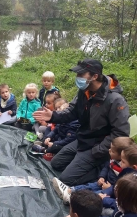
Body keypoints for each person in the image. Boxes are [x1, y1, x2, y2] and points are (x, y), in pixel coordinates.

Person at [33, 58, 130, 186]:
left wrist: (98, 150)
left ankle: (100, 169)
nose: (77, 77)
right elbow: (72, 111)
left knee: (65, 180)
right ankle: (81, 162)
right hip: (82, 139)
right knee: (56, 163)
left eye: (81, 74)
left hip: (98, 145)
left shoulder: (115, 100)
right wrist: (52, 116)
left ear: (95, 76)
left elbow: (121, 133)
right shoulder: (84, 91)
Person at [52, 137, 133, 205]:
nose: (109, 150)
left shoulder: (126, 171)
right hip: (104, 182)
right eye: (110, 148)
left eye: (112, 151)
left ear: (120, 155)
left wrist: (110, 188)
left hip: (110, 189)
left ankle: (74, 200)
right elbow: (106, 168)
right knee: (89, 186)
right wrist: (102, 177)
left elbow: (120, 184)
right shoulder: (112, 160)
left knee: (95, 194)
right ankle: (69, 190)